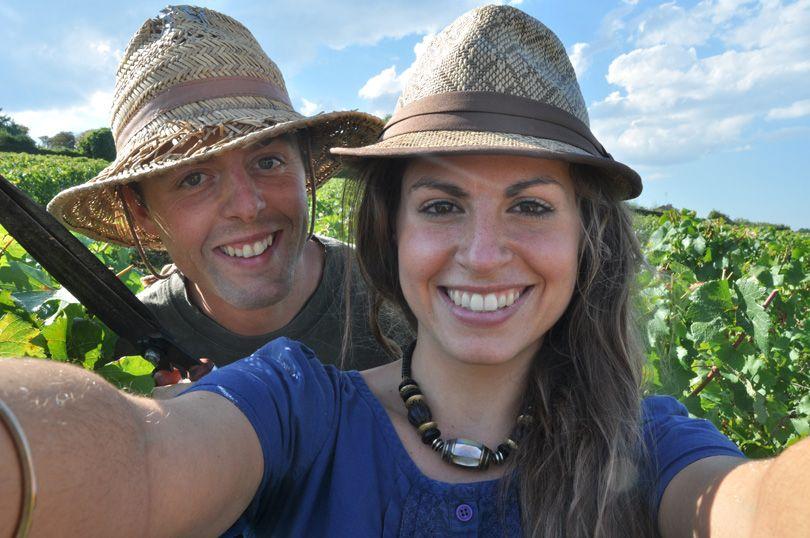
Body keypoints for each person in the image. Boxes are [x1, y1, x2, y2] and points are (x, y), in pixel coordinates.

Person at [2, 5, 809, 537]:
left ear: (587, 239)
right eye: (441, 205)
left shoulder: (645, 441)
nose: (483, 255)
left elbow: (745, 507)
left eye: (530, 206)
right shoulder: (294, 400)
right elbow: (143, 455)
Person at [46, 5, 409, 372]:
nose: (247, 206)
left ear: (303, 166)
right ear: (142, 211)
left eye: (267, 162)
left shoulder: (401, 296)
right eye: (193, 179)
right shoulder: (128, 348)